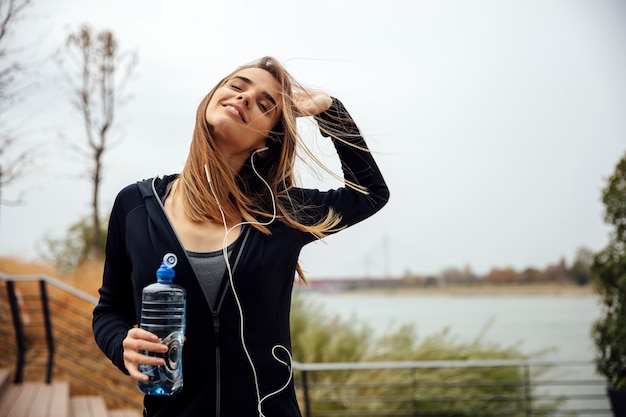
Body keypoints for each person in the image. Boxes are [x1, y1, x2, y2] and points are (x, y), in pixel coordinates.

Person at [92, 56, 389, 417]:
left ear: (267, 141)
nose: (246, 97)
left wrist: (330, 110)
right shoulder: (136, 206)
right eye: (237, 85)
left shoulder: (282, 215)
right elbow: (109, 310)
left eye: (266, 104)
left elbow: (370, 194)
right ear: (210, 100)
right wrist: (121, 343)